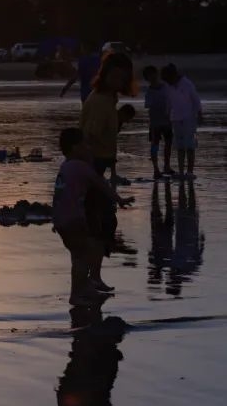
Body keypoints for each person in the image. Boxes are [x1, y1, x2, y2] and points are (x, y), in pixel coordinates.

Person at [53, 128, 132, 306]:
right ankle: (76, 294)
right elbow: (101, 184)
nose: (88, 148)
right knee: (85, 253)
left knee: (78, 253)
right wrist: (119, 199)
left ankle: (86, 288)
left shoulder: (66, 165)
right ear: (75, 147)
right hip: (73, 218)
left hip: (61, 218)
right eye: (85, 144)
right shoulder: (81, 167)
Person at [80, 51, 136, 243]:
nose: (118, 82)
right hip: (92, 165)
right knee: (101, 221)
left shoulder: (109, 98)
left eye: (122, 78)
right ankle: (94, 264)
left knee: (103, 220)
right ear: (104, 74)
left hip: (98, 165)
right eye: (114, 77)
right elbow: (88, 136)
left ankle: (96, 264)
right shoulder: (101, 101)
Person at [161, 64, 202, 180]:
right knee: (179, 146)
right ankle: (180, 171)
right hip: (176, 119)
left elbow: (196, 100)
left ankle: (190, 171)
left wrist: (199, 114)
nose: (167, 82)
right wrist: (167, 115)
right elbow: (168, 102)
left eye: (168, 79)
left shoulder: (187, 84)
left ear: (173, 75)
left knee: (189, 146)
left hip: (189, 118)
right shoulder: (169, 86)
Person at [143, 65, 174, 180]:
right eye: (149, 76)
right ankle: (156, 169)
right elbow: (148, 106)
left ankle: (167, 166)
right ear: (147, 79)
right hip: (155, 122)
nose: (152, 77)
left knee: (168, 144)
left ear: (157, 74)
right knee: (154, 145)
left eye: (153, 74)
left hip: (167, 121)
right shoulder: (149, 91)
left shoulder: (166, 86)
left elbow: (171, 101)